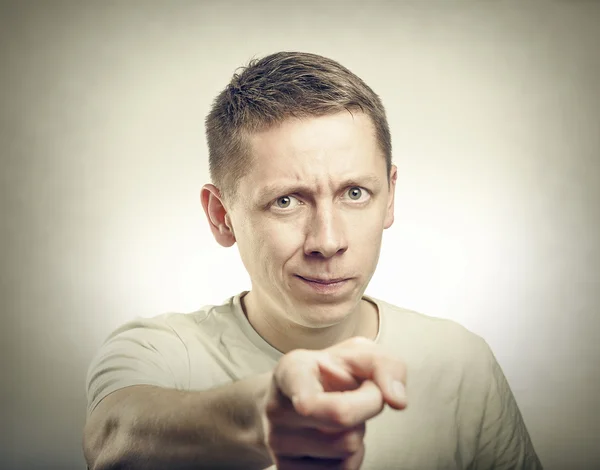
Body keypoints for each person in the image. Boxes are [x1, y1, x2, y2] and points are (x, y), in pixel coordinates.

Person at [83, 51, 542, 470]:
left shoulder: (462, 361)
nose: (328, 241)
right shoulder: (160, 354)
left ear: (390, 197)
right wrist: (262, 419)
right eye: (286, 201)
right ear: (221, 216)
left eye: (355, 193)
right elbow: (114, 438)